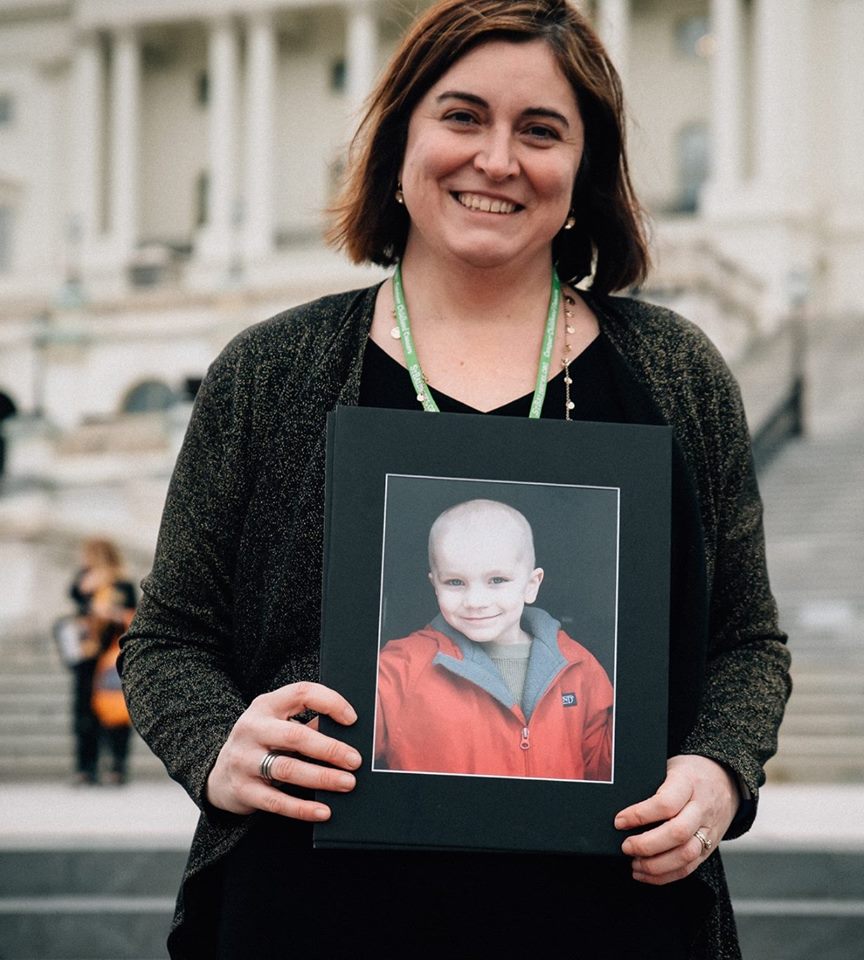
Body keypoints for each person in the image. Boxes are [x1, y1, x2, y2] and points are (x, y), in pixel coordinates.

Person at [120, 1, 791, 956]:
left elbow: (747, 643)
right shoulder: (271, 371)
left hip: (610, 917)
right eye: (463, 116)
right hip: (315, 915)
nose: (498, 159)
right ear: (400, 143)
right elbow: (168, 637)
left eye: (541, 131)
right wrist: (216, 746)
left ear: (583, 172)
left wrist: (721, 772)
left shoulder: (676, 374)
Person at [375, 498, 613, 780]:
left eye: (497, 580)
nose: (475, 601)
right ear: (434, 585)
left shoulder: (578, 666)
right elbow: (334, 742)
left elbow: (607, 768)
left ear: (531, 585)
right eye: (455, 582)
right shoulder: (399, 669)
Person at [68, 537, 137, 785]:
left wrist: (112, 612)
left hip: (112, 657)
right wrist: (88, 590)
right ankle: (86, 767)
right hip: (87, 657)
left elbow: (134, 614)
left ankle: (117, 766)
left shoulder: (122, 584)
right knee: (84, 713)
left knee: (116, 712)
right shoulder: (84, 581)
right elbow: (75, 599)